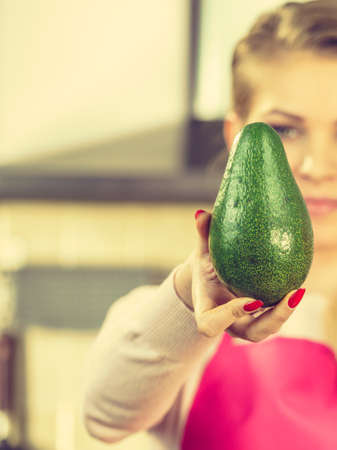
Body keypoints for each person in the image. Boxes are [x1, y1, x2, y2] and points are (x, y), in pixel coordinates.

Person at [82, 1, 337, 449]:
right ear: (236, 138)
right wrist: (189, 294)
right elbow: (105, 418)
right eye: (284, 130)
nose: (317, 166)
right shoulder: (184, 311)